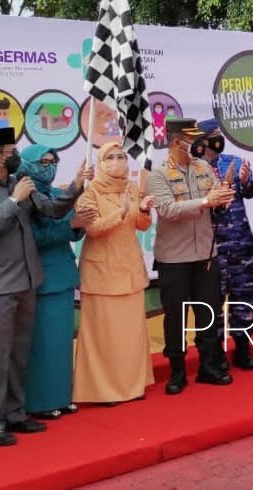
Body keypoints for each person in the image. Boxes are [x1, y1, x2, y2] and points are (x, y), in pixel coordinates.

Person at [0, 127, 80, 447]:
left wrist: (78, 185)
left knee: (19, 354)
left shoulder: (18, 184)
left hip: (27, 280)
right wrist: (13, 200)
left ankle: (15, 413)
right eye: (11, 153)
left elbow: (51, 211)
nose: (17, 159)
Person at [146, 119, 236, 394]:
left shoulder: (203, 167)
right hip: (174, 257)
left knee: (207, 312)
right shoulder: (158, 174)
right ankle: (177, 372)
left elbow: (214, 203)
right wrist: (205, 202)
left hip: (206, 253)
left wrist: (222, 199)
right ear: (176, 142)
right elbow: (168, 209)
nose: (199, 144)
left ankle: (208, 367)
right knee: (176, 317)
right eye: (192, 139)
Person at [72, 143, 156, 404]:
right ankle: (103, 391)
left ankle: (133, 385)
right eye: (110, 157)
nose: (117, 161)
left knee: (130, 334)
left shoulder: (130, 188)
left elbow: (141, 226)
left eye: (121, 156)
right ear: (100, 162)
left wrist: (143, 209)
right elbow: (93, 229)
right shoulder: (89, 190)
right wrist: (118, 214)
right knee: (104, 335)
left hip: (129, 269)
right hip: (102, 273)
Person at [21, 145, 93, 419]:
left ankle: (62, 397)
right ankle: (40, 402)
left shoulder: (55, 194)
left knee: (62, 343)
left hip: (62, 274)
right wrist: (70, 225)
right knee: (43, 345)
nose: (48, 166)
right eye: (42, 161)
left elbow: (69, 230)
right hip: (41, 279)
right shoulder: (26, 197)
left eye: (52, 161)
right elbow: (35, 238)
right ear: (27, 164)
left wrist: (79, 225)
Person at [193, 118, 253, 371]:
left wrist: (244, 182)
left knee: (244, 298)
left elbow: (252, 191)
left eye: (220, 133)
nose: (218, 138)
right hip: (213, 246)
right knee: (214, 301)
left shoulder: (235, 161)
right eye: (213, 135)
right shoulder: (195, 169)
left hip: (241, 243)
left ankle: (243, 349)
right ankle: (217, 354)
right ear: (202, 140)